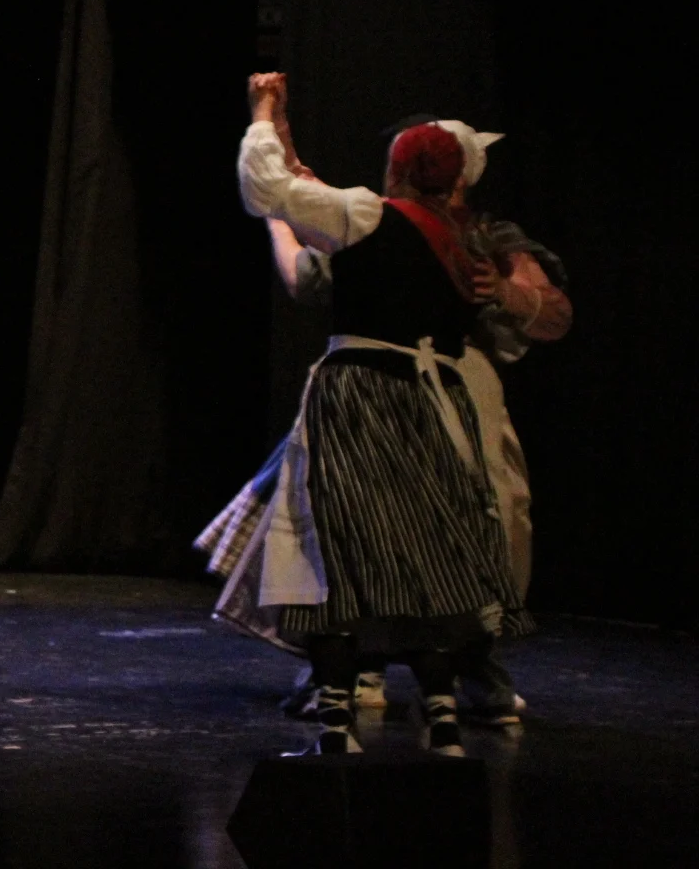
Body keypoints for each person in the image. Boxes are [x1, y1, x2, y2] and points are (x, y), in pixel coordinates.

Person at [224, 73, 533, 758]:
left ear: (397, 170)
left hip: (364, 394)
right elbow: (311, 194)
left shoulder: (371, 217)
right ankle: (444, 720)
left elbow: (270, 189)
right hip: (435, 403)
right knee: (425, 552)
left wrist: (263, 113)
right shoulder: (465, 238)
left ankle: (340, 716)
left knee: (341, 549)